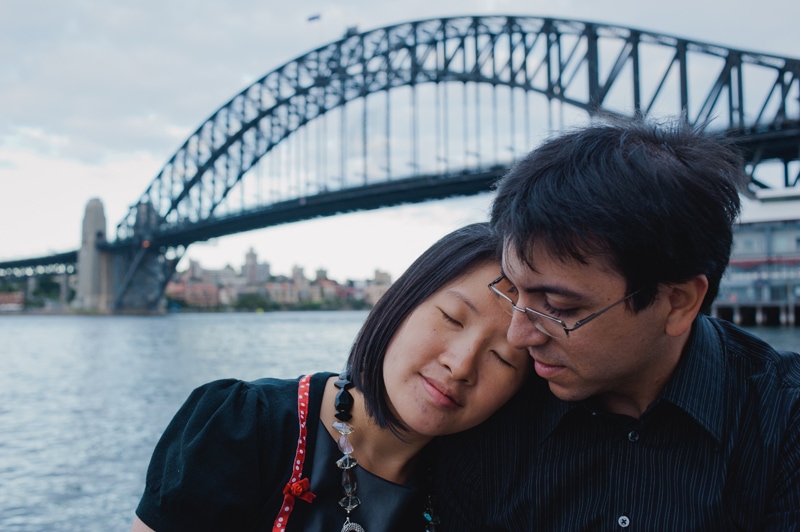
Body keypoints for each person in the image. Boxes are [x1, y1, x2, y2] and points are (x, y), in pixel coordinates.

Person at [435, 118, 800, 530]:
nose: (519, 336)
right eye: (514, 292)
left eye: (558, 307)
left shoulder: (785, 421)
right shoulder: (494, 405)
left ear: (678, 302)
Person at [130, 222, 532, 532]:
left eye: (502, 358)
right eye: (451, 318)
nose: (461, 366)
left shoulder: (489, 491)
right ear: (400, 303)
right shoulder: (243, 427)